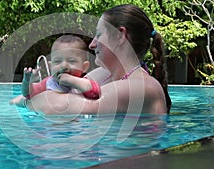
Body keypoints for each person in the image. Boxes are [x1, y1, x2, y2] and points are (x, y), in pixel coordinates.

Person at [12, 4, 171, 115]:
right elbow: (56, 92)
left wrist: (26, 102)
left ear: (120, 35)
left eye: (99, 35)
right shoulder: (104, 75)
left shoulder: (142, 87)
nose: (92, 44)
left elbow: (56, 106)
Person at [10, 35, 101, 107]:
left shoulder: (83, 82)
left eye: (71, 61)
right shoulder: (49, 83)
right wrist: (27, 81)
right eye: (57, 61)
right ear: (50, 66)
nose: (63, 65)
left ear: (84, 67)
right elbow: (29, 95)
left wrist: (71, 80)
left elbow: (96, 92)